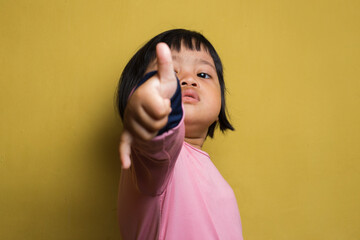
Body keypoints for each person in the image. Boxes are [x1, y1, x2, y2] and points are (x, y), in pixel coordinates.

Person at [116, 29, 243, 239]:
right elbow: (159, 140)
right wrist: (152, 108)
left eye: (203, 74)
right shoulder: (158, 162)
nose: (188, 80)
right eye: (171, 75)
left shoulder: (220, 185)